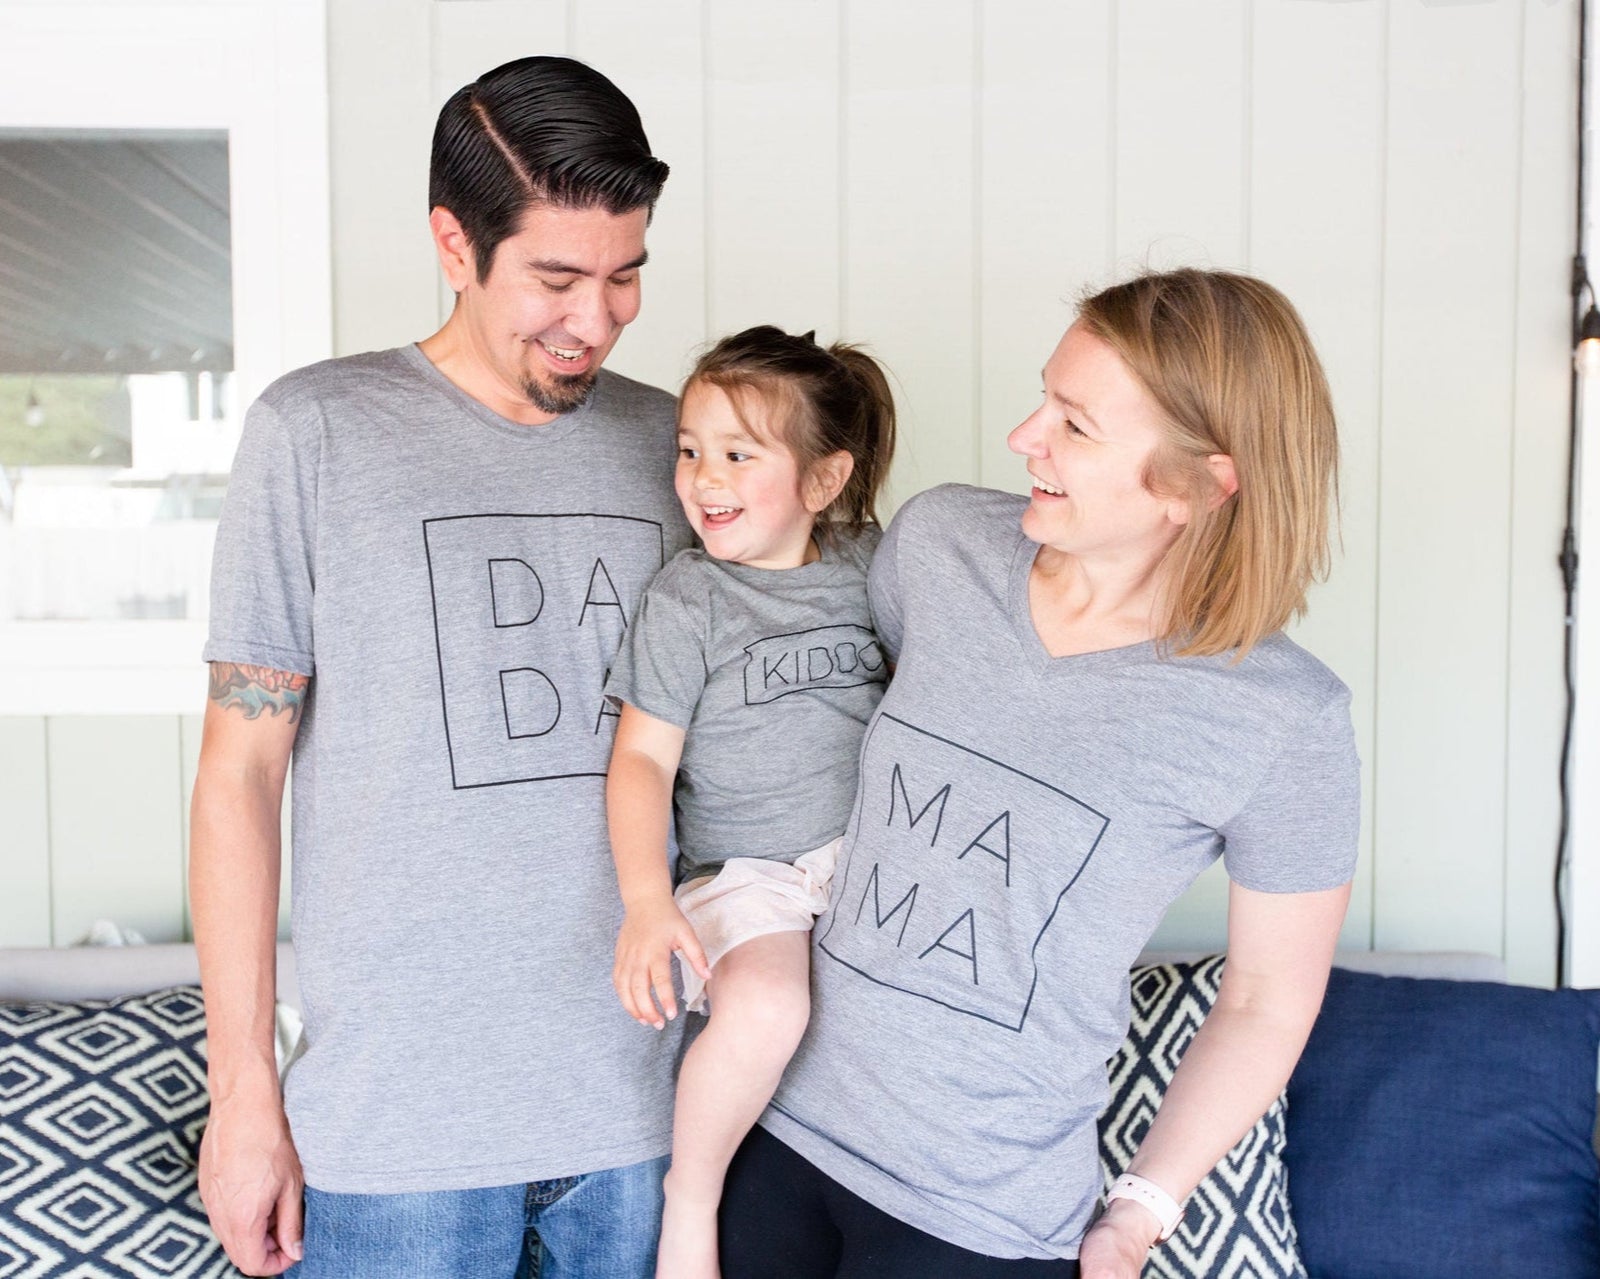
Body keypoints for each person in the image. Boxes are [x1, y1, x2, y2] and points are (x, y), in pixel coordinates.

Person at [717, 269, 1360, 1279]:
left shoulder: (1283, 718)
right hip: (765, 1133)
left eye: (1076, 424)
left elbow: (1267, 999)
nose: (1026, 436)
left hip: (977, 1217)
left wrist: (1140, 1210)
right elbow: (818, 719)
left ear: (1198, 482)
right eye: (1043, 399)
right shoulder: (936, 549)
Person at [190, 56, 693, 1278]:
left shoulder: (682, 447)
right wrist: (244, 1089)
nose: (596, 320)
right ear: (453, 244)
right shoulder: (315, 432)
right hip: (393, 1137)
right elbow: (241, 772)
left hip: (645, 1123)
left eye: (626, 277)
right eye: (556, 279)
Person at [603, 326, 897, 1279]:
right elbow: (642, 759)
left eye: (737, 453)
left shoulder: (866, 566)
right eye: (689, 449)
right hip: (751, 876)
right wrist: (648, 902)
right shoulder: (689, 600)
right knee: (769, 1008)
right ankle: (693, 1197)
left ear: (822, 480)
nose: (702, 476)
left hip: (868, 864)